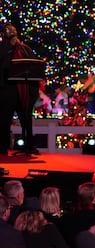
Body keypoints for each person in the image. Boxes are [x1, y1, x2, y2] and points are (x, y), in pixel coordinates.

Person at [0, 22, 40, 156]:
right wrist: (9, 48)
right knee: (5, 120)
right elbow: (3, 65)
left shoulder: (25, 49)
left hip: (23, 89)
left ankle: (29, 146)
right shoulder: (2, 49)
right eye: (10, 34)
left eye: (14, 34)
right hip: (7, 90)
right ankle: (2, 148)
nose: (13, 37)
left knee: (26, 118)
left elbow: (34, 67)